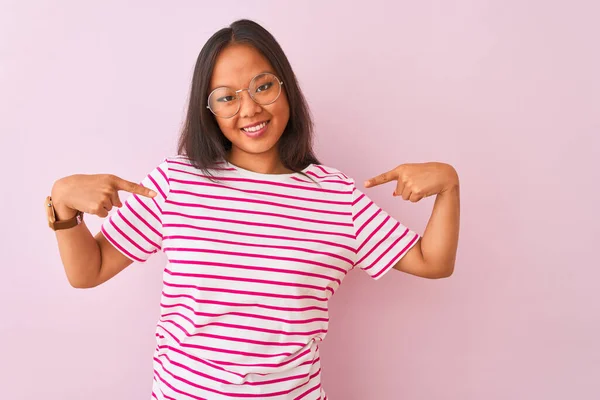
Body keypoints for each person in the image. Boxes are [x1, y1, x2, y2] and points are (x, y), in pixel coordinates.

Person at [46, 19, 460, 400]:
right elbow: (89, 271)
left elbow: (433, 261)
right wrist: (62, 203)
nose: (249, 109)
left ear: (286, 87)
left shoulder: (336, 196)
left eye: (262, 87)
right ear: (208, 110)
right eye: (227, 97)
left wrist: (448, 186)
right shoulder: (176, 183)